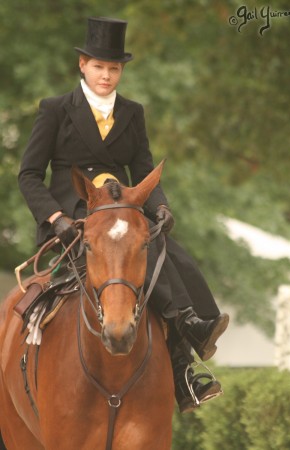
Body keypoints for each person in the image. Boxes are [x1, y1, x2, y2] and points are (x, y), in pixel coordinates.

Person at [18, 16, 229, 413]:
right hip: (74, 219)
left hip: (125, 211)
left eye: (114, 69)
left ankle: (186, 364)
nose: (106, 75)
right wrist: (56, 218)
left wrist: (161, 206)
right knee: (123, 256)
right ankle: (185, 323)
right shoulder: (55, 109)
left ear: (121, 71)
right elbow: (29, 175)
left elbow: (144, 168)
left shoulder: (134, 112)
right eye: (99, 67)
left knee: (164, 249)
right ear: (83, 65)